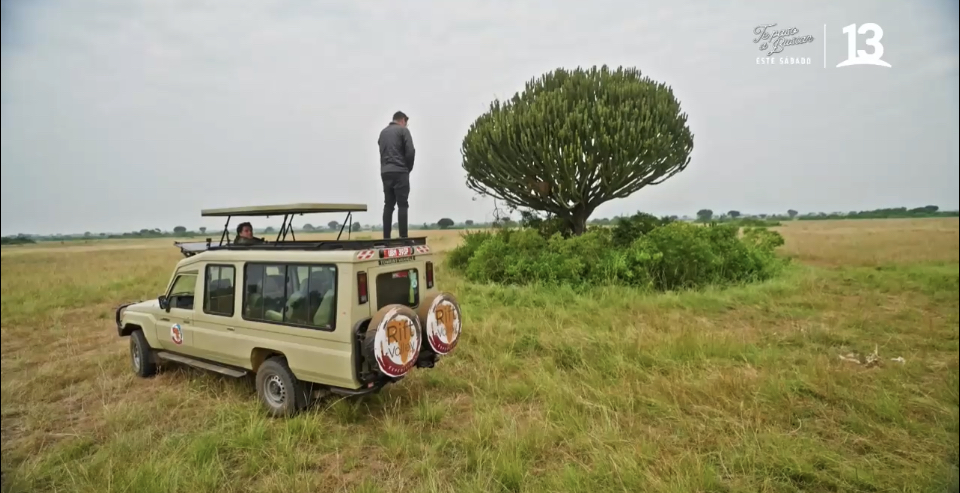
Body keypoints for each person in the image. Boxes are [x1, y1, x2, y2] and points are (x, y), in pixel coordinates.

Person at [378, 110, 416, 238]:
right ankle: (403, 237)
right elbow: (410, 151)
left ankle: (386, 238)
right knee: (403, 204)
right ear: (402, 120)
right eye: (406, 122)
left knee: (388, 205)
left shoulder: (382, 133)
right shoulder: (403, 131)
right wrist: (407, 169)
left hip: (385, 172)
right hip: (400, 171)